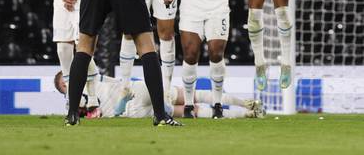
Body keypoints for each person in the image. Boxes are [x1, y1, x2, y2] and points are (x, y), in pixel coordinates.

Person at [54, 71, 265, 119]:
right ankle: (247, 107)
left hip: (131, 105)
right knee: (190, 102)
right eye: (64, 83)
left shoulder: (92, 82)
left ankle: (247, 109)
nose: (68, 83)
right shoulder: (79, 94)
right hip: (133, 101)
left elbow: (114, 81)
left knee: (188, 105)